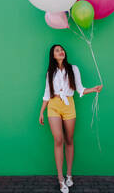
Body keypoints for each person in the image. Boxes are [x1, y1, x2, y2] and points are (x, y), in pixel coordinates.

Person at [39, 44, 103, 193]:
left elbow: (79, 89)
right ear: (53, 56)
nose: (61, 51)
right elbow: (47, 94)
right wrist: (42, 111)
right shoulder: (50, 72)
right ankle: (61, 179)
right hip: (54, 105)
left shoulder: (73, 69)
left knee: (69, 139)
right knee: (58, 139)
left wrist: (93, 89)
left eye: (61, 50)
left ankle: (69, 175)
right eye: (57, 50)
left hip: (69, 105)